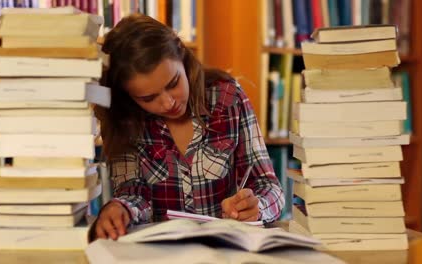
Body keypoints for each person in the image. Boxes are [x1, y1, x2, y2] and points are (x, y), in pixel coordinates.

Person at [91, 13, 284, 241]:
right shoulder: (126, 121)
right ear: (129, 97)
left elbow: (268, 186)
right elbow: (132, 192)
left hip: (228, 251)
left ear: (182, 57)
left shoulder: (228, 97)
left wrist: (256, 207)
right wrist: (119, 208)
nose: (168, 103)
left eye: (173, 83)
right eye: (148, 98)